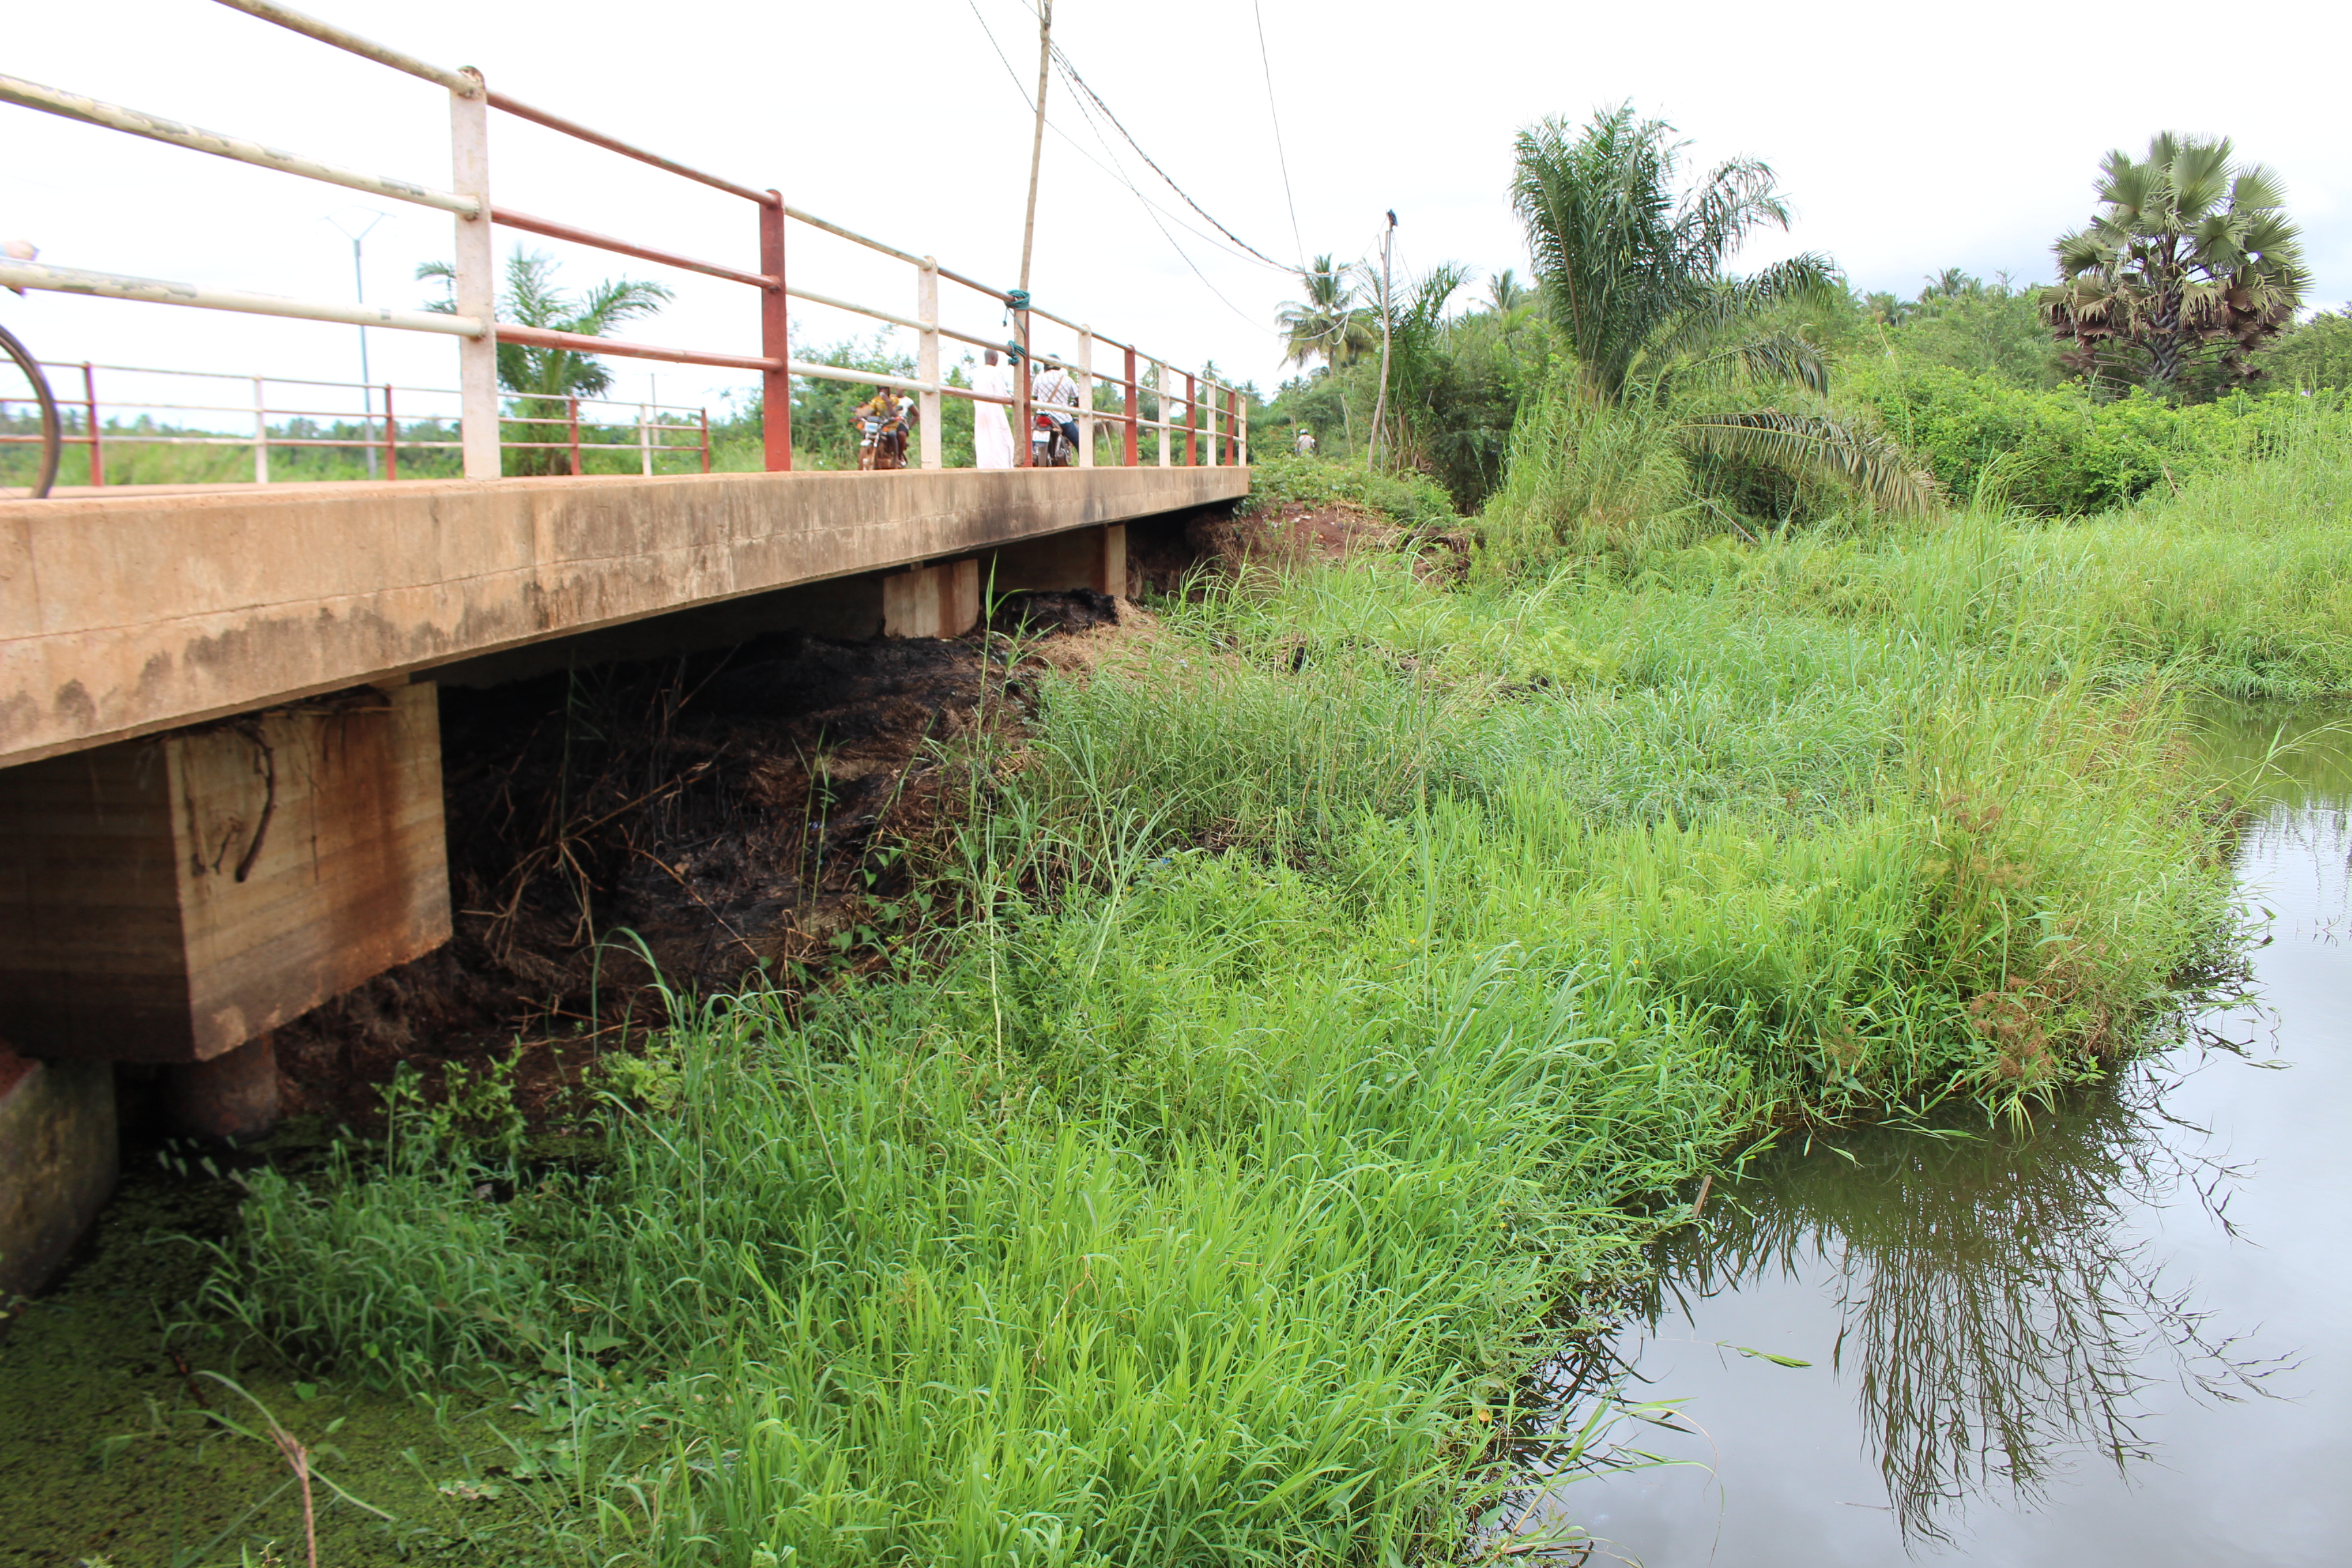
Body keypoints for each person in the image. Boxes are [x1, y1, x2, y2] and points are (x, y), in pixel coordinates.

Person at [1031, 359, 1080, 463]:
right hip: (1062, 417)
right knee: (1080, 442)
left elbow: (1035, 397)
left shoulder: (1039, 378)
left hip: (1042, 415)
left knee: (1030, 436)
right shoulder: (1067, 379)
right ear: (1059, 366)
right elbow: (1078, 398)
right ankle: (1087, 466)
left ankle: (1031, 455)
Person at [972, 349, 1013, 469]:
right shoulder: (994, 371)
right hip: (994, 410)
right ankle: (1002, 468)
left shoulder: (977, 372)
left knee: (984, 441)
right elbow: (1002, 394)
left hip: (980, 411)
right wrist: (1012, 402)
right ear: (994, 358)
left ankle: (985, 468)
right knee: (1000, 442)